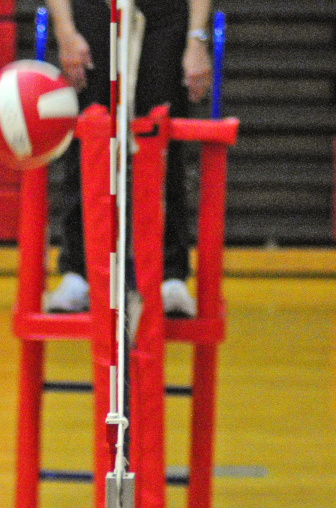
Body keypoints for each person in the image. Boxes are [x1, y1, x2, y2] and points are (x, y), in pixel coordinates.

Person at [44, 0, 212, 317]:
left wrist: (196, 39)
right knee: (86, 137)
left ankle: (170, 276)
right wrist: (65, 30)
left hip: (162, 17)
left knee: (164, 141)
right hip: (93, 12)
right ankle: (77, 272)